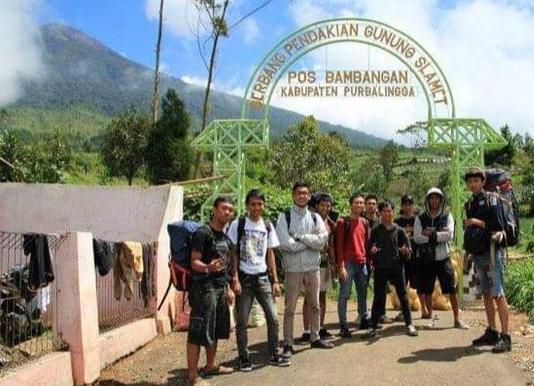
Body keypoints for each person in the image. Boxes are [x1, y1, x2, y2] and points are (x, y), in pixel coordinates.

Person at [228, 189, 289, 371]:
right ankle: (244, 357)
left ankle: (273, 354)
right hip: (244, 278)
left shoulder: (267, 226)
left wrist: (275, 280)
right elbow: (234, 254)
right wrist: (235, 278)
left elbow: (270, 253)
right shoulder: (238, 225)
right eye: (253, 204)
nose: (256, 207)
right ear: (247, 205)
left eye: (259, 204)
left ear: (264, 206)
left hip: (262, 278)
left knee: (273, 318)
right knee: (242, 321)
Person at [276, 182, 334, 361]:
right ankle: (287, 343)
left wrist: (300, 237)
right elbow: (285, 243)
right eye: (299, 193)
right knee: (290, 308)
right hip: (293, 269)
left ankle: (315, 337)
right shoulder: (284, 217)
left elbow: (322, 241)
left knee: (315, 304)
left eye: (305, 193)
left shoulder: (315, 218)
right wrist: (310, 242)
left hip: (313, 268)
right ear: (293, 195)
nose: (302, 196)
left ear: (309, 197)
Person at [187, 196, 236, 386]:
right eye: (224, 208)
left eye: (231, 210)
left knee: (215, 329)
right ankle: (192, 376)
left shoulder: (224, 237)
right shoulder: (203, 233)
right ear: (214, 210)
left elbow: (225, 267)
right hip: (203, 289)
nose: (227, 213)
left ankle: (210, 365)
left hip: (219, 288)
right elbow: (194, 262)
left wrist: (228, 287)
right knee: (198, 331)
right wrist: (208, 267)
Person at [464, 167, 511, 353]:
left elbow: (499, 225)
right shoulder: (470, 203)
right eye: (470, 181)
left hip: (492, 253)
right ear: (467, 184)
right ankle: (492, 331)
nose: (473, 183)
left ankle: (506, 337)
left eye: (477, 180)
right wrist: (468, 251)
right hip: (478, 254)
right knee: (485, 293)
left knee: (498, 293)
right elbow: (470, 232)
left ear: (483, 182)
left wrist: (476, 222)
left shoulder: (492, 199)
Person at [414, 188, 469, 330]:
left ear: (441, 200)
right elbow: (417, 238)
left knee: (451, 288)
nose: (434, 201)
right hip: (427, 259)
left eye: (437, 198)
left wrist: (431, 234)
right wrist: (439, 234)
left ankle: (457, 319)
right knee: (427, 289)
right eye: (431, 198)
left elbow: (450, 235)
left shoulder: (447, 216)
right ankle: (429, 316)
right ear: (427, 200)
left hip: (443, 258)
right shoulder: (420, 218)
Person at [368, 200, 418, 337]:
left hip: (397, 268)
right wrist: (372, 251)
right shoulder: (376, 231)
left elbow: (409, 250)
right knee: (378, 297)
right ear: (379, 213)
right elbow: (370, 249)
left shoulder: (400, 231)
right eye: (384, 211)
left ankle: (409, 324)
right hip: (381, 268)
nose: (387, 214)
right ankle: (372, 326)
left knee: (403, 297)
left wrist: (405, 251)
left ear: (393, 212)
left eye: (389, 211)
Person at [300, 193, 335, 343]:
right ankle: (307, 331)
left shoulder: (330, 223)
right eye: (322, 205)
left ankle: (319, 327)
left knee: (322, 296)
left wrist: (334, 263)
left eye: (328, 205)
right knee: (309, 298)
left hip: (324, 262)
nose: (325, 208)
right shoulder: (309, 220)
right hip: (310, 263)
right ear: (316, 206)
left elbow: (330, 245)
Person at [336, 193, 371, 338]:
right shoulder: (343, 222)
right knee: (345, 294)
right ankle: (343, 325)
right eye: (356, 202)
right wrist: (341, 266)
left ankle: (363, 318)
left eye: (361, 203)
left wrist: (369, 263)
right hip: (348, 263)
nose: (359, 205)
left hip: (362, 263)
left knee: (362, 293)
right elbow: (338, 246)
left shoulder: (365, 222)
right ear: (351, 204)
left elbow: (367, 244)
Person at [394, 194, 426, 320]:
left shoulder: (418, 220)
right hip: (402, 260)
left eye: (410, 204)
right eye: (405, 204)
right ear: (402, 206)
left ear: (413, 205)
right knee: (402, 286)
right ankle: (403, 311)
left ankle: (424, 310)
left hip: (416, 258)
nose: (407, 207)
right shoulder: (397, 222)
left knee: (420, 286)